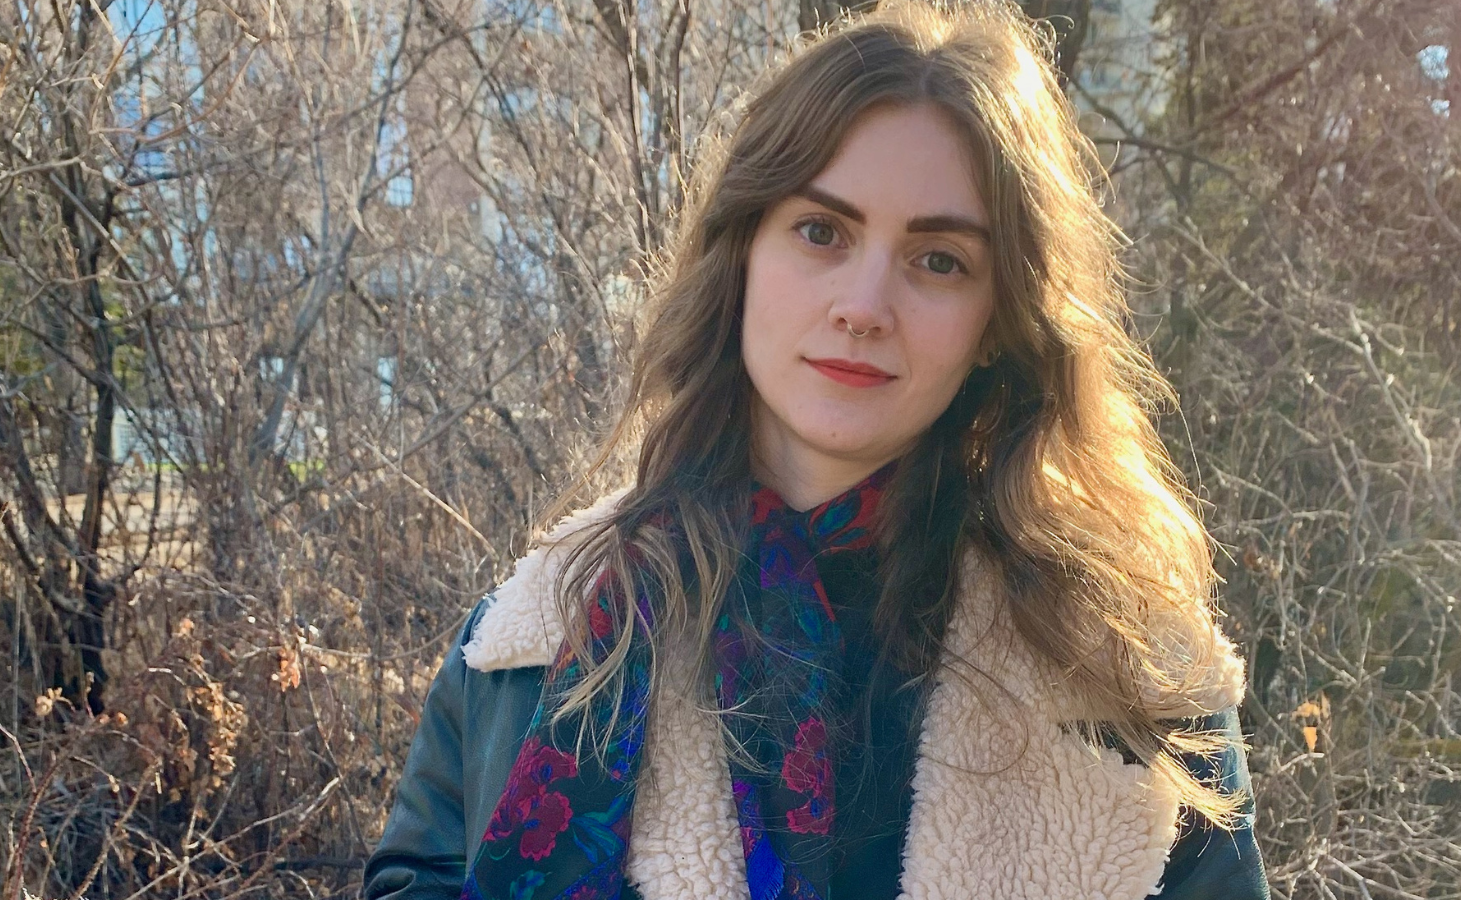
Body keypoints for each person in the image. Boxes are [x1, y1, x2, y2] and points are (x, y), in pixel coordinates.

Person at [363, 2, 1270, 898]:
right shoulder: (541, 631)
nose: (864, 304)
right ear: (744, 251)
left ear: (1000, 320)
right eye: (822, 231)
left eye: (939, 260)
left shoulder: (1126, 666)